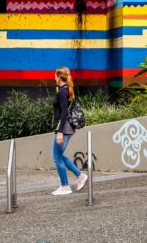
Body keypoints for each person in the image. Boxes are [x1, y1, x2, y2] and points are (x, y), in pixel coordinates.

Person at [51, 66, 87, 196]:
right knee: (59, 156)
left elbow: (64, 112)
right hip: (66, 128)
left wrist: (59, 132)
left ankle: (65, 186)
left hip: (63, 128)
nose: (53, 78)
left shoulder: (62, 92)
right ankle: (79, 176)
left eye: (55, 76)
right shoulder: (66, 90)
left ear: (59, 77)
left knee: (56, 157)